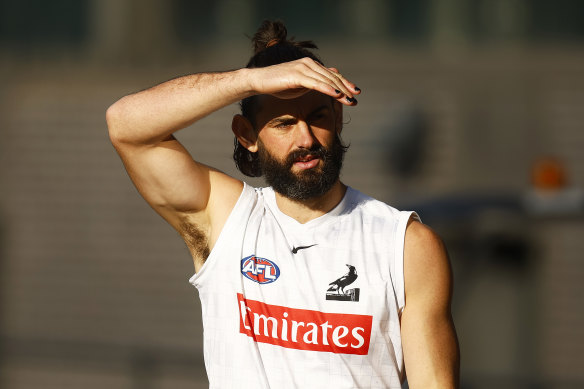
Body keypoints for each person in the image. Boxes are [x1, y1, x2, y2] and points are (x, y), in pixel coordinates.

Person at [106, 20, 459, 389]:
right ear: (247, 135)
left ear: (338, 117)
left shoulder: (405, 245)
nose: (305, 138)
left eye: (317, 117)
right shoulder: (226, 218)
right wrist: (249, 81)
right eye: (284, 123)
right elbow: (125, 125)